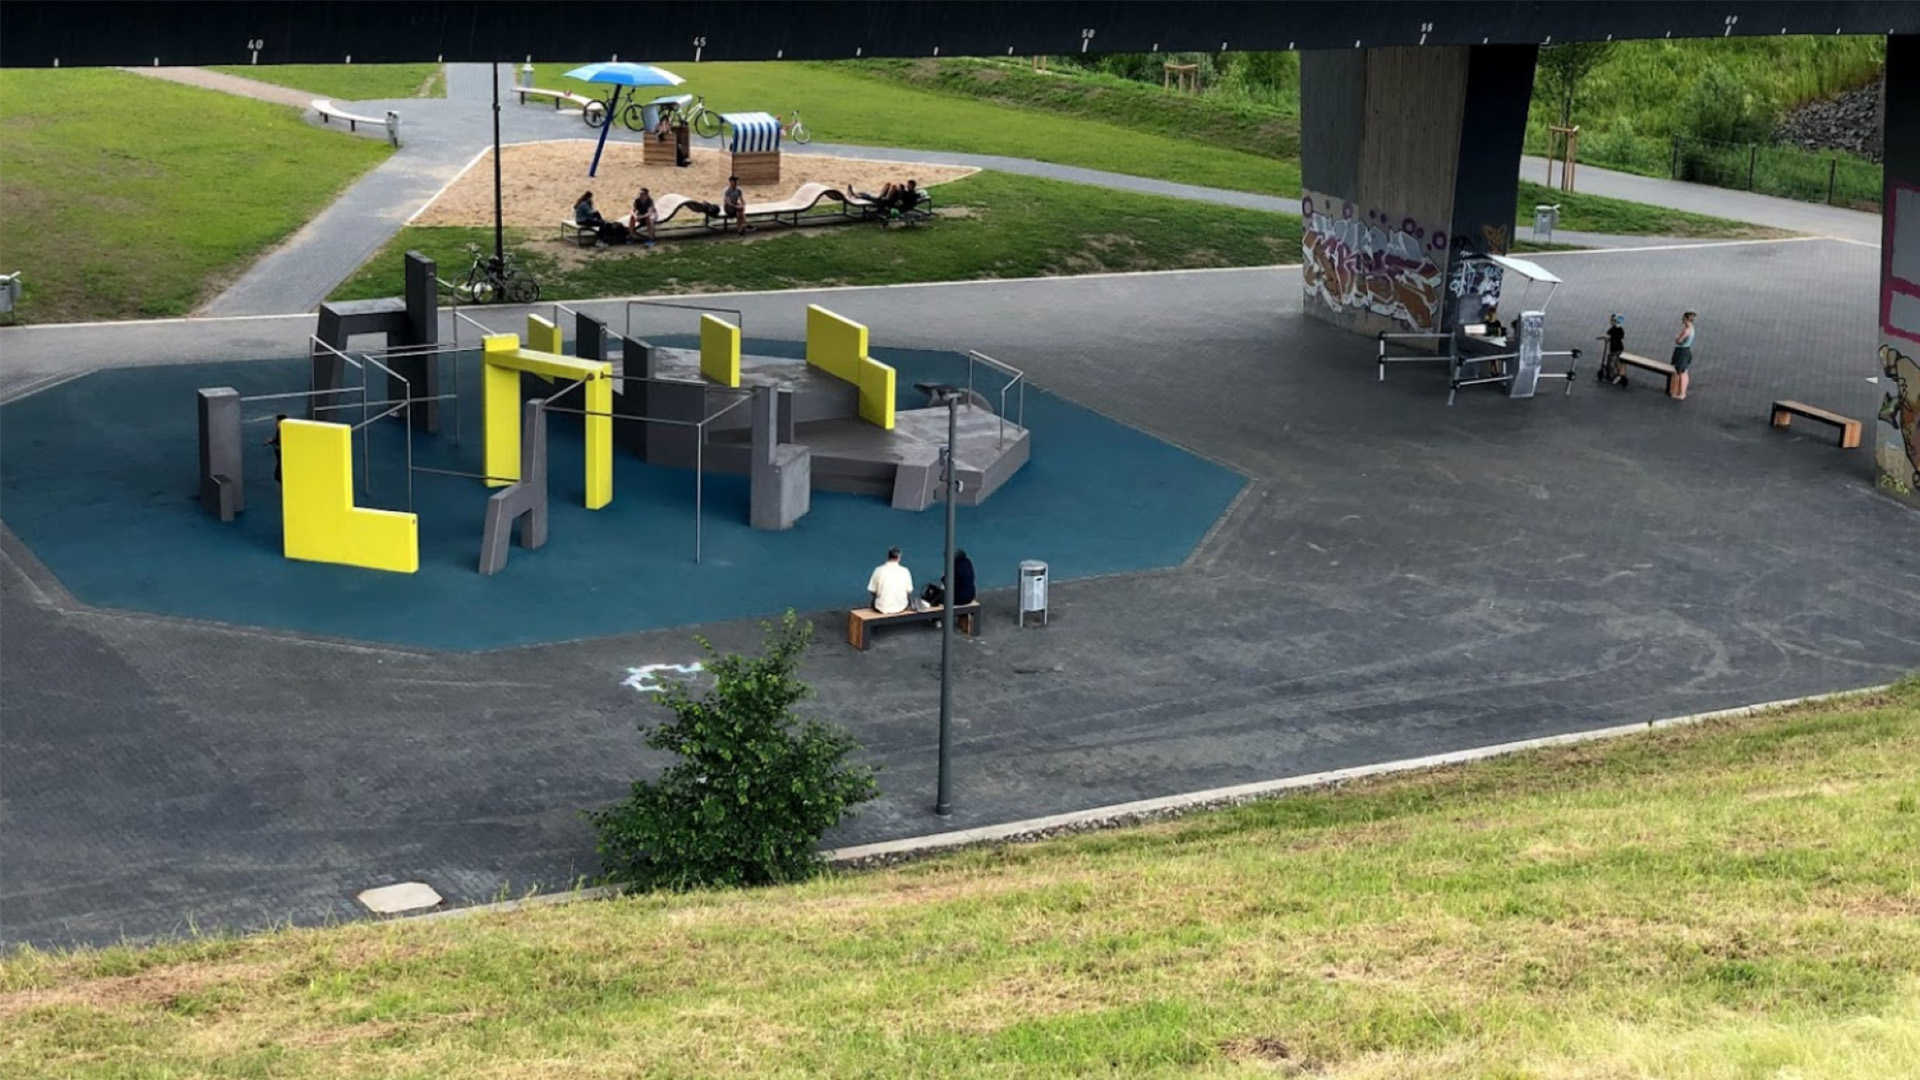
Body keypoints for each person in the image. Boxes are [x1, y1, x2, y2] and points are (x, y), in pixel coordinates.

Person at [866, 547, 913, 615]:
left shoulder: (878, 570)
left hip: (881, 607)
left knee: (875, 600)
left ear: (888, 556)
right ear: (899, 557)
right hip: (901, 607)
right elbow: (909, 591)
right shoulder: (905, 571)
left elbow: (872, 590)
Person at [1670, 310, 1697, 400]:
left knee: (1682, 372)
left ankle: (1682, 393)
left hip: (1682, 352)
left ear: (1685, 319)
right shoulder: (1692, 328)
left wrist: (1677, 337)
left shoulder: (1686, 330)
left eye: (1683, 318)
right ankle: (1680, 391)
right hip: (1686, 350)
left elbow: (1678, 341)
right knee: (1683, 371)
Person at [1597, 313, 1627, 387]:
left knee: (1613, 361)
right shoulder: (1615, 329)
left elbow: (1614, 336)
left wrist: (1608, 338)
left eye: (1612, 321)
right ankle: (1613, 374)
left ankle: (1614, 375)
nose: (1610, 322)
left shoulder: (1616, 329)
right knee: (1613, 360)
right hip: (1615, 348)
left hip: (1616, 348)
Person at [267, 413, 287, 482]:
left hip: (283, 457)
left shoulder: (283, 431)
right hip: (281, 457)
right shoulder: (282, 431)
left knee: (279, 476)